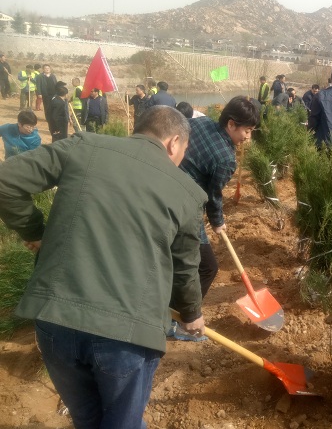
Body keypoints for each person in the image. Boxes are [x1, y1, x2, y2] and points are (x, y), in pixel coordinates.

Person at [0, 106, 207, 428]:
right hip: (126, 336)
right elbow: (184, 268)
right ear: (174, 142)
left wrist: (36, 232)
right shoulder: (186, 191)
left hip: (56, 320)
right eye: (183, 150)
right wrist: (192, 313)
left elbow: (6, 181)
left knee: (86, 418)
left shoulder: (83, 146)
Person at [179, 97, 259, 312]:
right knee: (207, 267)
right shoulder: (226, 158)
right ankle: (183, 317)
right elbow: (213, 195)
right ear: (231, 124)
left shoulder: (201, 122)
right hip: (184, 206)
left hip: (164, 188)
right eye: (247, 131)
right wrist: (217, 222)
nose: (248, 138)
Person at [34, 64, 58, 131]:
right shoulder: (40, 76)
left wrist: (58, 92)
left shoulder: (53, 76)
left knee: (54, 106)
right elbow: (38, 85)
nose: (47, 69)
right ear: (43, 69)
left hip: (53, 94)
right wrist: (39, 93)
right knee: (47, 106)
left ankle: (53, 117)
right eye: (45, 68)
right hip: (45, 94)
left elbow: (56, 84)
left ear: (50, 69)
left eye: (48, 68)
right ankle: (48, 118)